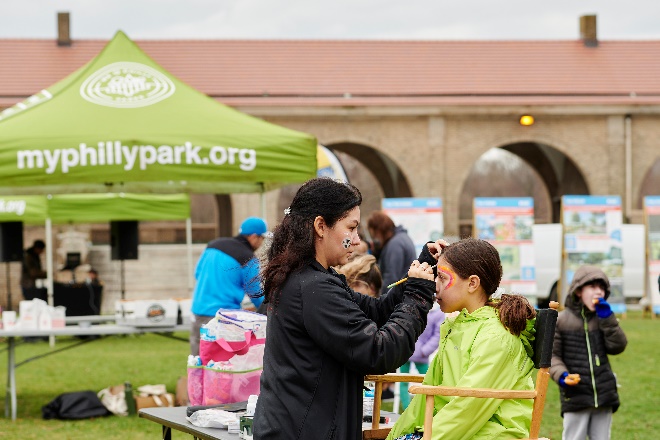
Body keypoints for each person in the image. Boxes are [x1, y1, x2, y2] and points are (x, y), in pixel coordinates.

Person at [252, 177, 437, 440]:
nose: (358, 240)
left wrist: (422, 266)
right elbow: (379, 350)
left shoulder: (313, 278)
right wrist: (418, 294)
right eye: (351, 228)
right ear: (320, 226)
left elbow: (376, 311)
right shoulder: (313, 287)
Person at [387, 238, 538, 440]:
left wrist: (425, 438)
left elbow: (468, 407)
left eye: (441, 277)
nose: (434, 286)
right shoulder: (457, 325)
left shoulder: (497, 337)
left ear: (473, 283)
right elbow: (428, 397)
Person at [550, 266, 627, 440]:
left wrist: (608, 319)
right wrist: (562, 375)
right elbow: (552, 356)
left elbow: (618, 346)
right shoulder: (561, 321)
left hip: (604, 394)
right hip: (576, 395)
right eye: (592, 287)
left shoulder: (604, 319)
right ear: (578, 291)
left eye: (602, 288)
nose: (598, 292)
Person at [189, 217, 269, 356]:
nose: (261, 243)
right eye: (262, 238)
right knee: (223, 366)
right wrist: (271, 311)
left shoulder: (213, 245)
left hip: (199, 312)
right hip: (225, 319)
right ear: (255, 237)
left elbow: (197, 274)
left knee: (199, 360)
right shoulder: (248, 259)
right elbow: (256, 295)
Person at [398, 305, 445, 410]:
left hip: (421, 355)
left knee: (428, 381)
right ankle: (407, 409)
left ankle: (426, 408)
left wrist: (424, 351)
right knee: (402, 381)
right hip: (406, 352)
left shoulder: (438, 313)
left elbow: (437, 334)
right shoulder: (414, 306)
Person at [367, 211, 416, 295]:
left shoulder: (395, 244)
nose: (375, 240)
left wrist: (378, 300)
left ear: (379, 230)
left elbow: (391, 278)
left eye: (374, 235)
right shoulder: (401, 238)